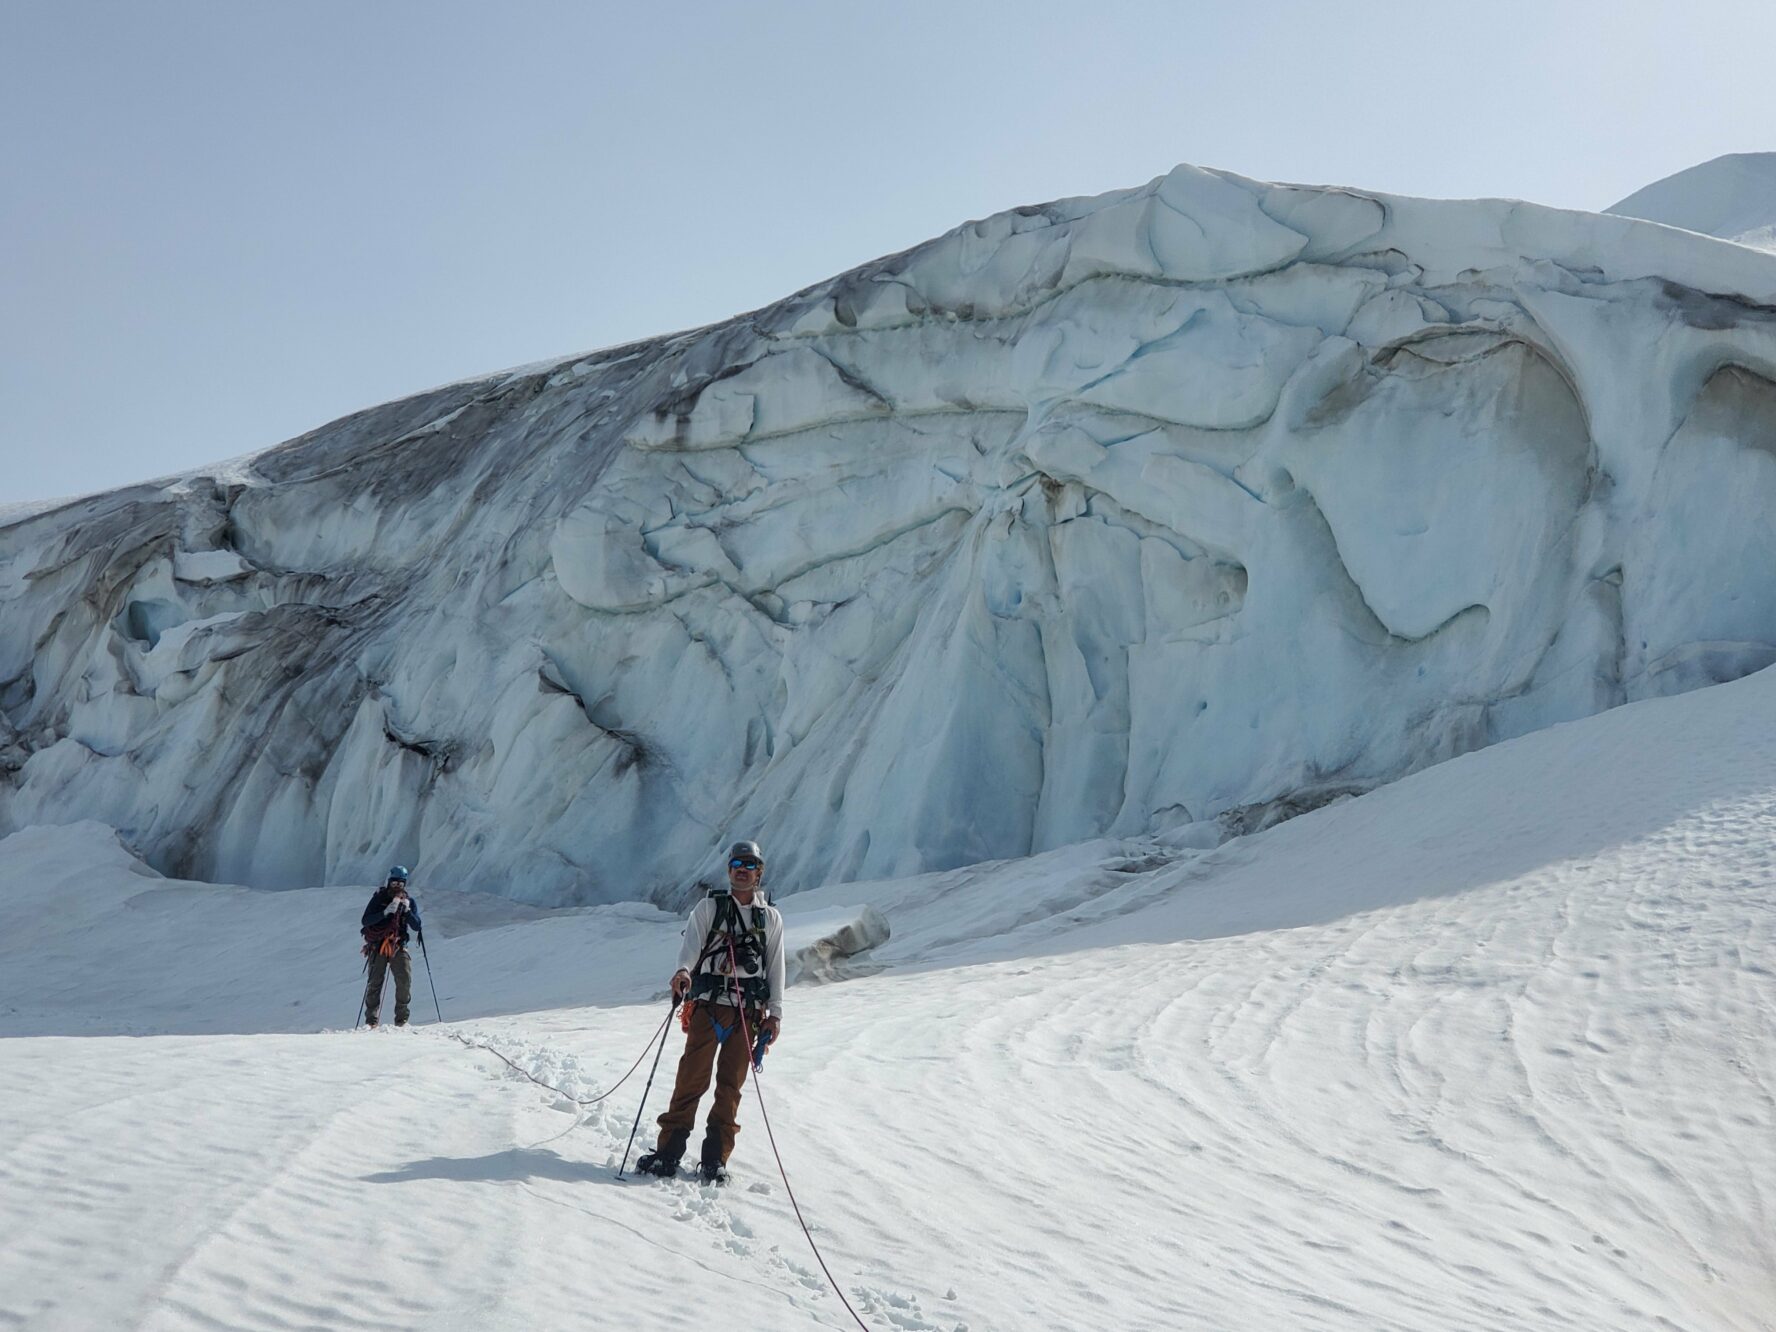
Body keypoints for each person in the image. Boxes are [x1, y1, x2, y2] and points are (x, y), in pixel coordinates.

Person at [637, 840, 785, 1183]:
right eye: (737, 864)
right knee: (691, 1080)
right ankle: (669, 1153)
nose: (742, 870)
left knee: (730, 1087)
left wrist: (774, 1014)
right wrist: (684, 972)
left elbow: (776, 967)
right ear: (729, 869)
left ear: (759, 872)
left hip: (747, 1015)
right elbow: (690, 948)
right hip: (708, 1008)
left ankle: (714, 1159)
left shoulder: (770, 918)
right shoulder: (708, 909)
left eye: (749, 865)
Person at [360, 866, 424, 1028]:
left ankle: (401, 1019)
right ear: (389, 882)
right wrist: (385, 912)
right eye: (394, 882)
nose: (397, 886)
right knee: (375, 982)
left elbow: (417, 926)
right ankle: (371, 1021)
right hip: (378, 945)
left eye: (400, 884)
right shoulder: (378, 899)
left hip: (398, 944)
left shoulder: (409, 902)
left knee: (404, 981)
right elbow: (366, 920)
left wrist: (408, 912)